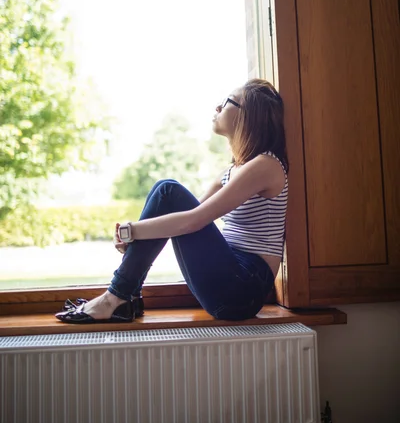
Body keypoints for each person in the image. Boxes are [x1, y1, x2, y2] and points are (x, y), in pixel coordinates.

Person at [55, 78, 289, 324]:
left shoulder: (266, 165)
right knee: (165, 191)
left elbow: (192, 221)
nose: (217, 108)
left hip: (244, 289)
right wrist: (136, 237)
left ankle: (116, 297)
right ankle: (125, 296)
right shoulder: (232, 171)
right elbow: (179, 219)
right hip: (230, 278)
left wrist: (132, 231)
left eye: (226, 102)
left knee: (168, 190)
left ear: (248, 116)